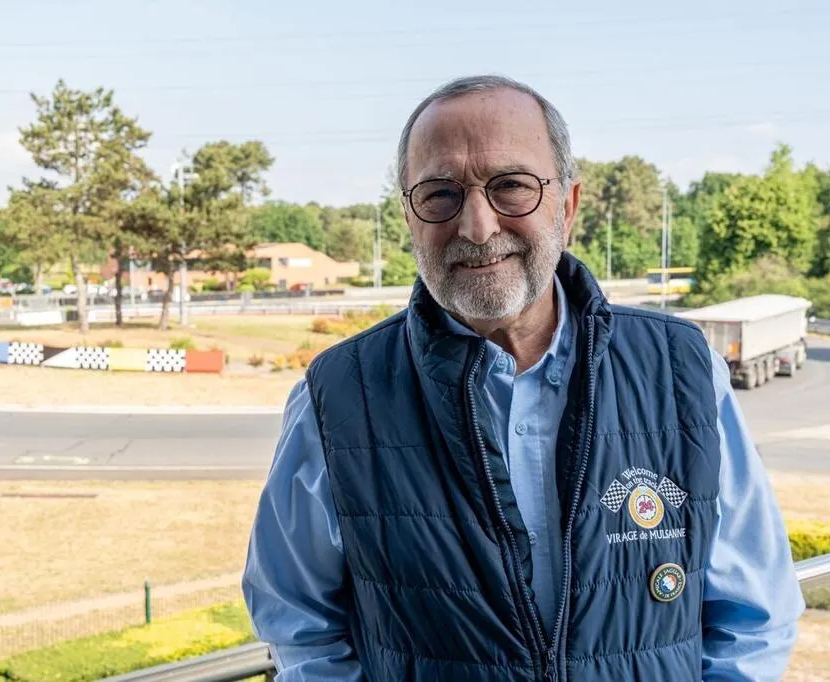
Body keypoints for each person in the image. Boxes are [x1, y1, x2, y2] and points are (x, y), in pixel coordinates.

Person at [241, 74, 805, 681]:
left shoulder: (681, 372)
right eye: (439, 194)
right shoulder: (336, 398)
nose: (478, 227)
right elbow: (299, 624)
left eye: (511, 186)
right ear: (408, 216)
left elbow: (754, 618)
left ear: (568, 204)